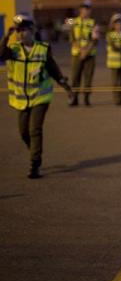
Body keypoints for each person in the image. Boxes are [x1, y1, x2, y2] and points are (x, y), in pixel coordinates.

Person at [1, 14, 72, 178]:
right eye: (18, 31)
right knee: (23, 133)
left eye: (23, 30)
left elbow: (53, 69)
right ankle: (34, 150)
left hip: (40, 97)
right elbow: (0, 55)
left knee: (35, 130)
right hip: (21, 99)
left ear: (31, 30)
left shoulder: (43, 49)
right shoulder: (13, 50)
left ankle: (35, 164)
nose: (20, 34)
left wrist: (65, 86)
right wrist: (6, 36)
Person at [69, 0, 99, 106]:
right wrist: (80, 50)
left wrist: (86, 51)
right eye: (84, 9)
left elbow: (95, 39)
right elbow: (72, 38)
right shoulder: (73, 21)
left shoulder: (93, 23)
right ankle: (74, 99)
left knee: (88, 77)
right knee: (75, 77)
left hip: (89, 54)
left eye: (88, 9)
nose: (86, 11)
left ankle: (86, 99)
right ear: (80, 10)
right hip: (77, 54)